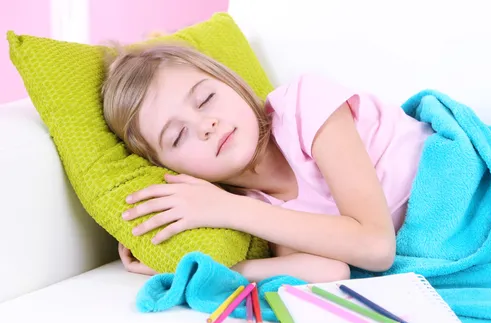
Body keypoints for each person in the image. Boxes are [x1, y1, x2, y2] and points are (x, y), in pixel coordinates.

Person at [102, 43, 433, 283]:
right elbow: (329, 272)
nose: (206, 125)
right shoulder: (258, 206)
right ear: (170, 170)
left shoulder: (306, 105)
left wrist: (228, 209)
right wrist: (192, 268)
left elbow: (376, 247)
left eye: (206, 99)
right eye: (177, 136)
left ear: (230, 83)